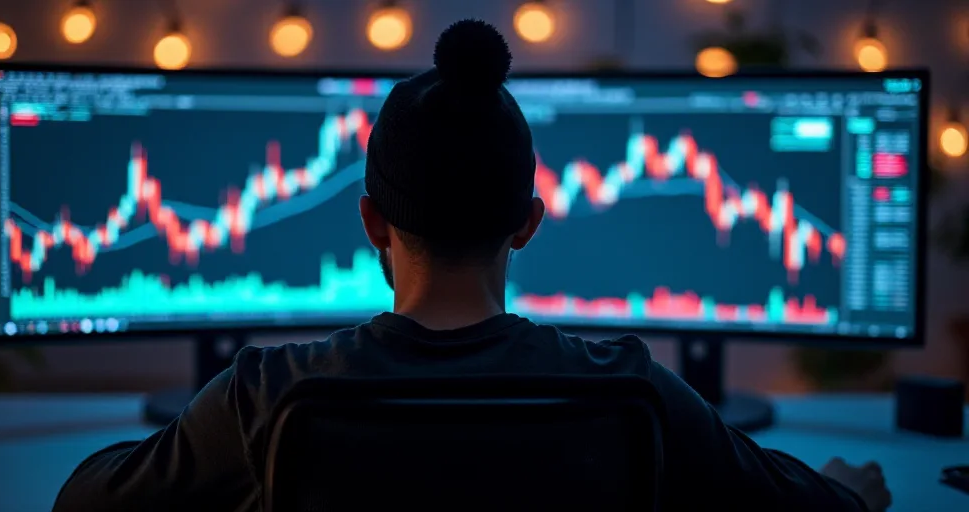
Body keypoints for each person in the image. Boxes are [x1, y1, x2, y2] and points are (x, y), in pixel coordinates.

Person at [53, 20, 892, 512]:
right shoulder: (634, 392)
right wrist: (847, 489)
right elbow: (822, 511)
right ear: (527, 224)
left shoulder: (263, 396)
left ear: (372, 223)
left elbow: (81, 503)